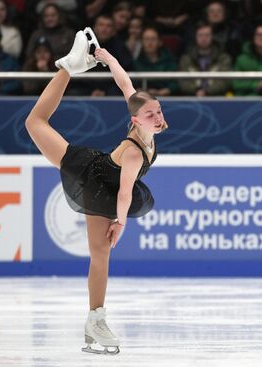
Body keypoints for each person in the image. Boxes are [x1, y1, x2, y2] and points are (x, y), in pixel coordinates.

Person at [25, 27, 167, 354]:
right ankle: (68, 67)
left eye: (158, 111)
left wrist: (108, 57)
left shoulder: (145, 132)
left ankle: (96, 319)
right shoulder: (134, 147)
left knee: (100, 256)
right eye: (150, 114)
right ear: (135, 119)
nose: (158, 118)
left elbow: (126, 85)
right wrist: (121, 223)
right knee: (35, 123)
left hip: (102, 180)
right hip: (94, 175)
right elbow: (125, 194)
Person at [179, 21, 232, 96]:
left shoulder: (223, 58)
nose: (203, 39)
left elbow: (225, 82)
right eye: (200, 35)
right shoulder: (186, 59)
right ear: (195, 37)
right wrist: (196, 90)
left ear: (212, 36)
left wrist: (207, 91)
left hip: (217, 98)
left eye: (207, 35)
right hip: (192, 99)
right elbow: (183, 82)